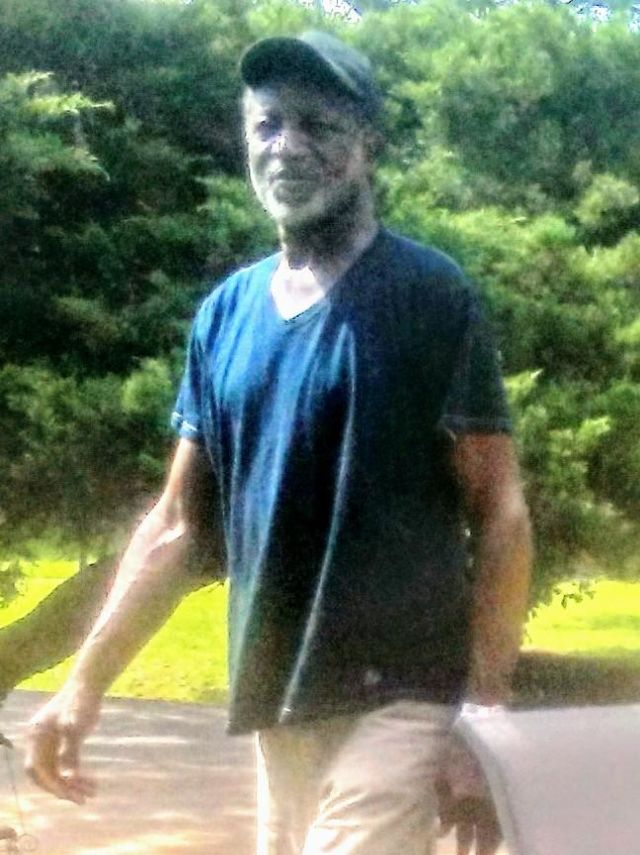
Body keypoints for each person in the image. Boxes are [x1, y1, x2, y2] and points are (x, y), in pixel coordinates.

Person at [25, 30, 532, 855]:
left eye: (318, 126)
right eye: (267, 124)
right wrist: (82, 686)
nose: (286, 146)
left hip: (402, 699)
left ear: (368, 145)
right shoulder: (225, 316)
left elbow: (500, 511)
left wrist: (482, 715)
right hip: (277, 704)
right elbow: (177, 525)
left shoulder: (430, 297)